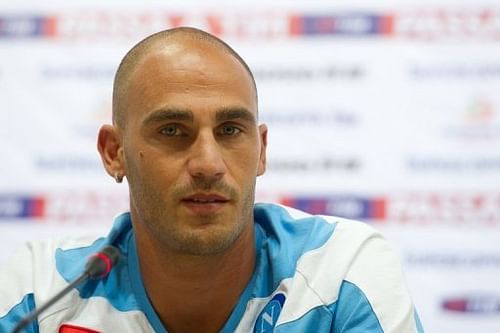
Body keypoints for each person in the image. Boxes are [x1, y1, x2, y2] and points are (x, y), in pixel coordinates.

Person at [0, 27, 424, 333]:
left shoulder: (341, 274)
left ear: (260, 151)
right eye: (172, 130)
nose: (208, 163)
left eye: (230, 131)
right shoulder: (41, 291)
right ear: (115, 153)